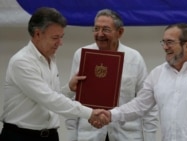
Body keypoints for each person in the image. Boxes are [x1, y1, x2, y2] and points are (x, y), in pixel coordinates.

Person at [90, 23, 187, 141]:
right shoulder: (157, 74)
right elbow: (139, 105)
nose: (165, 47)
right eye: (163, 42)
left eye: (170, 42)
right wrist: (111, 114)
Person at [0, 7, 107, 141]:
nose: (60, 43)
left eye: (61, 37)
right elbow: (49, 99)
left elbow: (49, 100)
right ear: (37, 34)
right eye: (55, 38)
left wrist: (68, 89)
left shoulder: (50, 58)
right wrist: (90, 113)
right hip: (21, 136)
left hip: (50, 135)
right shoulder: (22, 62)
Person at [65, 9, 159, 141]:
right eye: (96, 29)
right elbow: (73, 100)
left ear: (120, 32)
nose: (100, 34)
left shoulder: (134, 58)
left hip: (127, 135)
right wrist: (71, 136)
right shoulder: (81, 55)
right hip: (89, 134)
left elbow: (147, 102)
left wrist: (150, 137)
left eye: (106, 29)